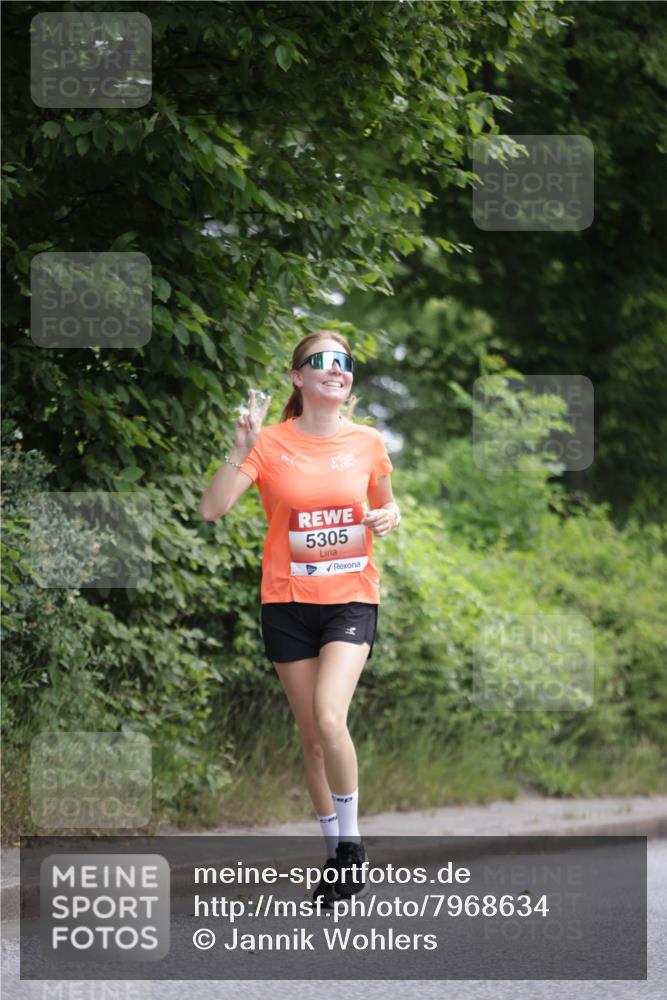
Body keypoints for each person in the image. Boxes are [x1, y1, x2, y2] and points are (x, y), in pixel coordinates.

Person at [200, 330, 400, 906]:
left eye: (345, 363)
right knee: (312, 740)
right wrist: (241, 446)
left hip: (350, 600)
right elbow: (212, 509)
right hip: (286, 604)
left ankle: (353, 845)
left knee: (330, 719)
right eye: (323, 361)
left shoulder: (367, 441)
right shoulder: (270, 443)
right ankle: (334, 855)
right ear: (298, 377)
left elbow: (385, 503)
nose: (336, 369)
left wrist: (391, 517)